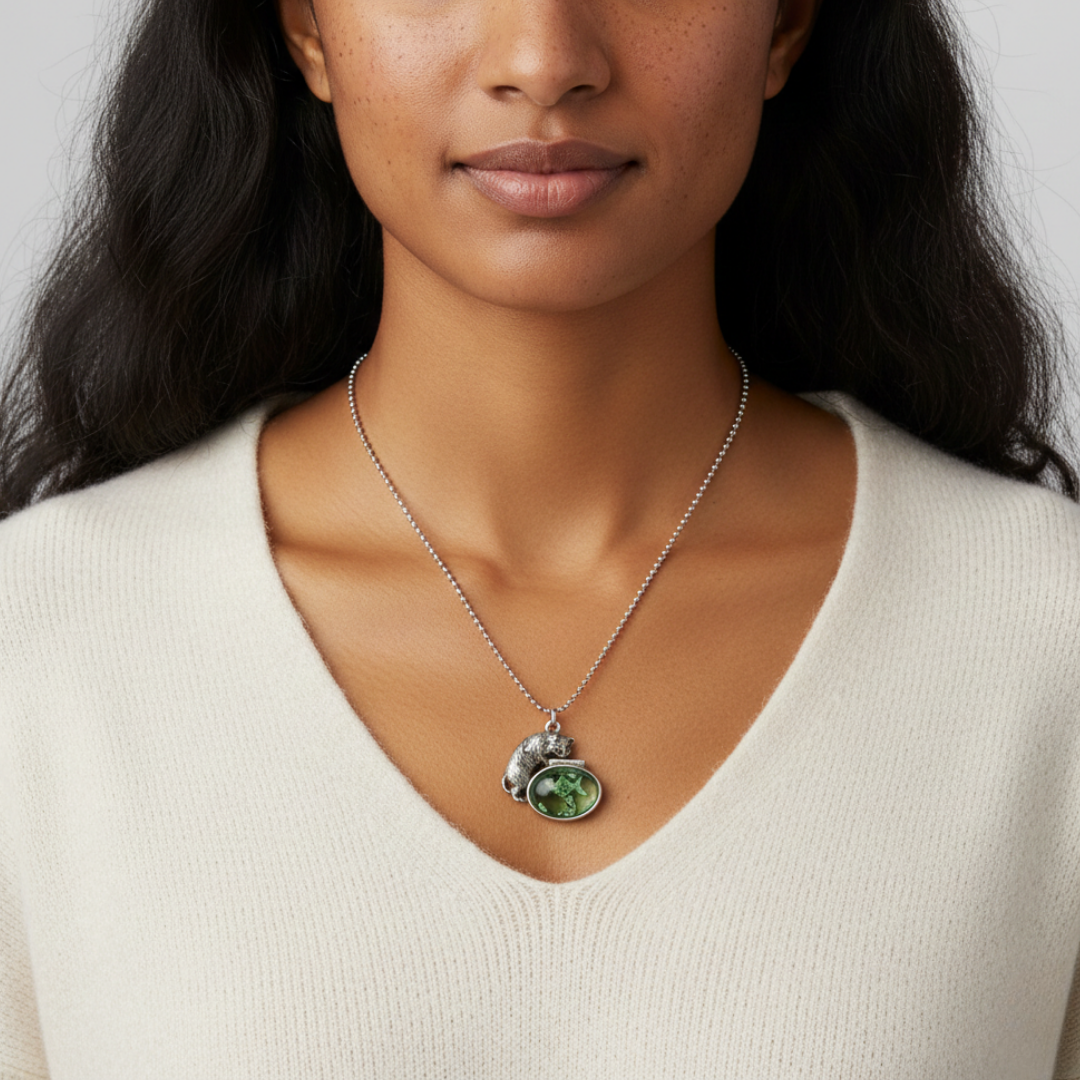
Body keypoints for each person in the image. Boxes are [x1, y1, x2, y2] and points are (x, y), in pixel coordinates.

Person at [1, 0, 1079, 1072]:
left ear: (790, 26)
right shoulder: (41, 646)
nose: (544, 61)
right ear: (307, 29)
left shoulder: (1044, 635)